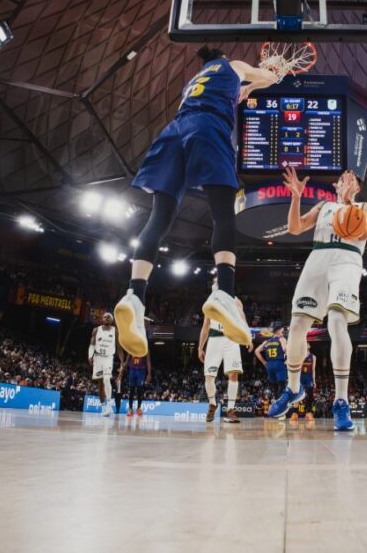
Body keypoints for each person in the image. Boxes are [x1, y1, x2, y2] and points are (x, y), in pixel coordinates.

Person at [113, 47, 278, 359]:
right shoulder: (233, 65)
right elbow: (269, 78)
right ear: (224, 57)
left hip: (173, 132)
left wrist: (243, 89)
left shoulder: (193, 82)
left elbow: (229, 91)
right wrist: (265, 76)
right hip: (207, 127)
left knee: (159, 218)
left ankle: (134, 295)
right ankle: (224, 293)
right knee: (223, 212)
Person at [269, 167, 367, 431]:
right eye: (342, 179)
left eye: (351, 180)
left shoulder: (365, 207)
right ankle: (293, 388)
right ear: (336, 185)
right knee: (296, 325)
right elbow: (294, 228)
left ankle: (341, 401)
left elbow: (365, 233)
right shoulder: (324, 206)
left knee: (337, 322)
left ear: (357, 187)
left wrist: (348, 202)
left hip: (347, 260)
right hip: (318, 258)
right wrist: (296, 197)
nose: (345, 181)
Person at [198, 281, 244, 424]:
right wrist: (200, 347)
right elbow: (205, 326)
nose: (216, 283)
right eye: (215, 282)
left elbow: (243, 320)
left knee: (234, 374)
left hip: (232, 339)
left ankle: (230, 410)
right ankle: (212, 404)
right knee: (209, 376)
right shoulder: (210, 301)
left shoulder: (236, 300)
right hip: (214, 339)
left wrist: (247, 338)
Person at [88, 312, 119, 417]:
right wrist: (90, 356)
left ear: (111, 320)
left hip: (108, 358)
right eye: (104, 317)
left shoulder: (115, 331)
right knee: (100, 384)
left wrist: (122, 362)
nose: (105, 318)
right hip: (98, 357)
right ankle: (103, 407)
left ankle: (109, 405)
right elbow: (92, 344)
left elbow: (118, 347)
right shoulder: (96, 330)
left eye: (108, 317)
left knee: (106, 379)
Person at [254, 327, 287, 399]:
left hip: (269, 365)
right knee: (282, 386)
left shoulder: (266, 342)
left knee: (275, 388)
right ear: (278, 331)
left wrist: (264, 362)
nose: (283, 333)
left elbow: (256, 351)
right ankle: (281, 404)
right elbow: (284, 349)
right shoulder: (282, 339)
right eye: (282, 332)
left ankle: (276, 401)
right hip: (279, 363)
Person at [291, 352, 317, 422]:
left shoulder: (313, 356)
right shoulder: (298, 355)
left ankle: (308, 413)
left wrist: (314, 381)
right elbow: (296, 367)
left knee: (310, 395)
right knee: (297, 395)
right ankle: (295, 413)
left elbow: (313, 370)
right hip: (300, 377)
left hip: (309, 377)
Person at [126, 352, 151, 417]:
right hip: (132, 370)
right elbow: (127, 359)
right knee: (131, 390)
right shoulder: (131, 348)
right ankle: (130, 409)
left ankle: (139, 408)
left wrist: (149, 374)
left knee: (140, 390)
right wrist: (122, 370)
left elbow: (148, 361)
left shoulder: (145, 348)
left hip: (141, 370)